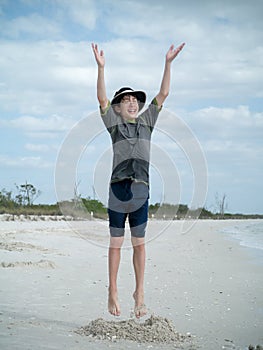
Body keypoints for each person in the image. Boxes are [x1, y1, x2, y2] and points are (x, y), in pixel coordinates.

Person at [91, 41, 185, 318]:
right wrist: (101, 68)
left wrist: (167, 63)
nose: (132, 102)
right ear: (118, 108)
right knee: (116, 243)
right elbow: (101, 100)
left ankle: (139, 293)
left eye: (135, 100)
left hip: (141, 190)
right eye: (125, 100)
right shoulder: (113, 125)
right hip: (118, 189)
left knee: (140, 244)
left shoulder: (147, 123)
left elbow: (164, 92)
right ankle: (112, 291)